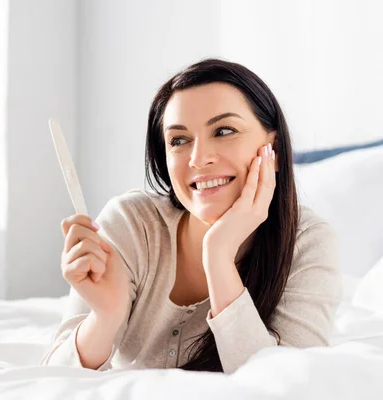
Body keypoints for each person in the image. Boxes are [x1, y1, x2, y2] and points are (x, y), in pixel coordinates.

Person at [40, 59, 342, 374]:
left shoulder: (309, 243)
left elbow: (287, 387)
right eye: (179, 140)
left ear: (274, 150)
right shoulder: (131, 224)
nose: (198, 159)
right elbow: (54, 378)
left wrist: (219, 257)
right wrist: (105, 316)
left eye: (224, 131)